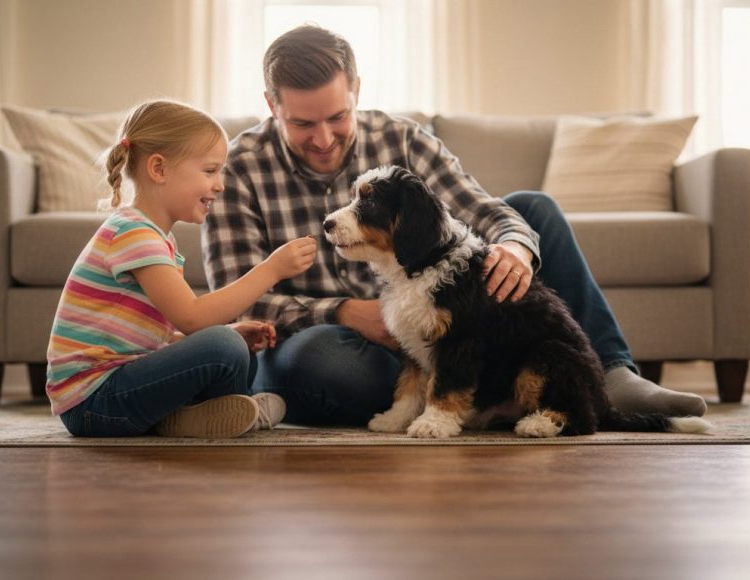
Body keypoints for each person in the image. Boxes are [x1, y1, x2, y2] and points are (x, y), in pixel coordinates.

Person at [201, 25, 707, 427]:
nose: (324, 138)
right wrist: (347, 312)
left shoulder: (400, 138)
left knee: (533, 211)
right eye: (302, 124)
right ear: (272, 105)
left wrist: (515, 246)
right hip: (342, 341)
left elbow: (479, 208)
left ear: (356, 90)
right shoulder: (241, 167)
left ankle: (611, 373)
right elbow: (237, 297)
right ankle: (453, 397)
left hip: (439, 327)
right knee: (317, 363)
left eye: (337, 116)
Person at [46, 99, 317, 438]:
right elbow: (192, 317)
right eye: (209, 171)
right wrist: (271, 270)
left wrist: (231, 333)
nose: (220, 184)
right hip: (94, 403)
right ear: (158, 169)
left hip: (115, 389)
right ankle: (220, 410)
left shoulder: (153, 237)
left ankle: (191, 417)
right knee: (222, 346)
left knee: (235, 350)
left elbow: (151, 336)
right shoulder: (133, 234)